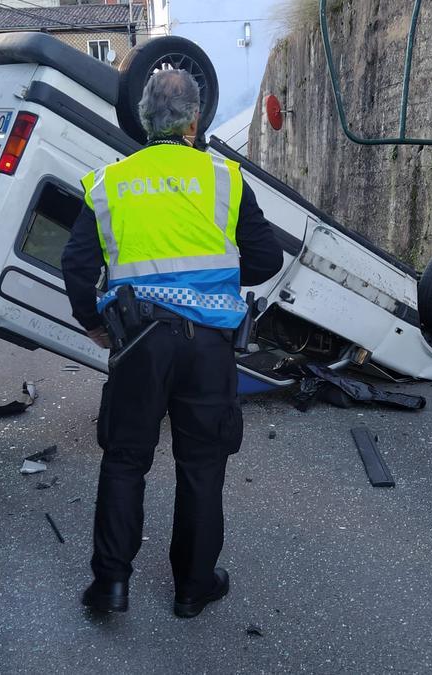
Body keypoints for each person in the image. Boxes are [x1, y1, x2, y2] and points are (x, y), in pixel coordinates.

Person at [61, 69, 283, 618]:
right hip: (208, 346)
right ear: (194, 120)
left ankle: (111, 585)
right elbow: (266, 260)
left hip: (138, 343)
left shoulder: (110, 182)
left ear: (142, 120)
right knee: (202, 466)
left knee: (125, 460)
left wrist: (93, 320)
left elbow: (77, 263)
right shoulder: (225, 179)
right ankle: (193, 587)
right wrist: (216, 276)